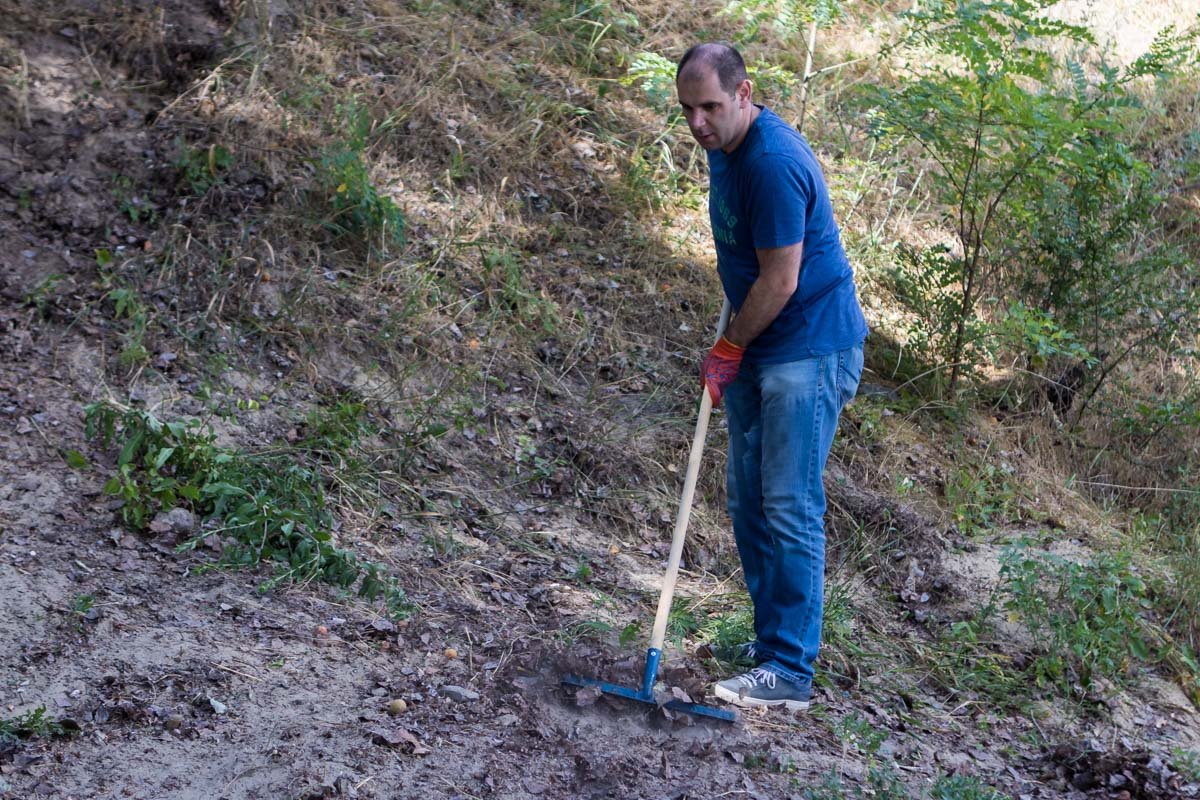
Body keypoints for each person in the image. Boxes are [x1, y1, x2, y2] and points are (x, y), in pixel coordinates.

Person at [676, 42, 868, 711]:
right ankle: (769, 649)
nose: (699, 122)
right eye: (688, 110)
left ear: (744, 94)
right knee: (747, 498)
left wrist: (727, 348)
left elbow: (782, 279)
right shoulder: (723, 149)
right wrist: (736, 338)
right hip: (761, 342)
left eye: (711, 107)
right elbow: (750, 258)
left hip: (808, 350)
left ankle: (790, 669)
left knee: (787, 504)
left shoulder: (774, 162)